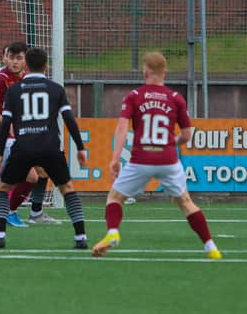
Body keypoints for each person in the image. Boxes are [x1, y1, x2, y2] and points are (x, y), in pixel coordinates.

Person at [91, 52, 222, 260]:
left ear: (145, 72)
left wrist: (115, 158)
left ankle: (113, 232)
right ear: (165, 73)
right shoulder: (176, 98)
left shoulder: (134, 96)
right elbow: (187, 135)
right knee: (186, 203)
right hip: (168, 159)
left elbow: (122, 128)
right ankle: (211, 247)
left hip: (141, 159)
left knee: (115, 197)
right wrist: (172, 142)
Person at [0, 47, 88, 249]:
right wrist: (80, 147)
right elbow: (68, 119)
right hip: (50, 145)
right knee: (67, 188)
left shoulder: (14, 90)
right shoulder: (56, 89)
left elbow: (5, 124)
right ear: (46, 66)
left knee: (2, 187)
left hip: (23, 147)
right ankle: (80, 237)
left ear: (26, 66)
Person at [0, 42, 59, 226]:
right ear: (4, 58)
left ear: (26, 60)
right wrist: (7, 124)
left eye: (19, 58)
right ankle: (9, 211)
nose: (15, 62)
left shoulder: (27, 79)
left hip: (17, 138)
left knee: (39, 169)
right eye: (11, 57)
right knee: (29, 176)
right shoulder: (0, 79)